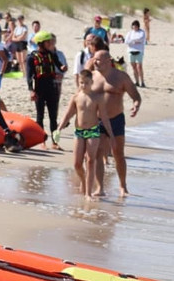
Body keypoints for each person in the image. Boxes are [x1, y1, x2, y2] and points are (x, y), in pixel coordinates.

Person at [87, 49, 141, 197]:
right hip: (96, 120)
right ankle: (100, 188)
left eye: (97, 59)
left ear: (108, 60)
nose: (94, 62)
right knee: (98, 153)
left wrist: (136, 105)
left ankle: (123, 187)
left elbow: (135, 95)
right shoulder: (91, 77)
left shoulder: (121, 77)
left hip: (115, 119)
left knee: (118, 153)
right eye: (94, 59)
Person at [57, 69, 115, 198]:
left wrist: (111, 135)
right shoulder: (76, 97)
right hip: (79, 132)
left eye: (86, 83)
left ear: (92, 82)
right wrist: (59, 128)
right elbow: (68, 114)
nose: (83, 85)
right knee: (77, 163)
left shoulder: (98, 98)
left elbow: (104, 118)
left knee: (90, 160)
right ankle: (83, 181)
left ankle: (88, 193)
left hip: (93, 131)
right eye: (81, 83)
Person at [25, 31, 64, 149]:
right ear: (41, 43)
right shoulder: (31, 57)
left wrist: (63, 68)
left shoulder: (51, 54)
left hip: (52, 88)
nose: (50, 43)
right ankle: (42, 142)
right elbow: (29, 76)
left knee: (53, 117)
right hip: (39, 89)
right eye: (48, 42)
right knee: (40, 116)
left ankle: (55, 142)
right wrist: (31, 90)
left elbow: (59, 66)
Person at [124, 20, 147, 88]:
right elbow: (126, 41)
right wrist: (134, 41)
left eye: (136, 26)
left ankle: (142, 81)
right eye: (134, 26)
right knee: (134, 67)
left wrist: (132, 41)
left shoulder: (141, 32)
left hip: (139, 50)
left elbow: (140, 39)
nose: (135, 27)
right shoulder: (130, 33)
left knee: (139, 67)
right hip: (131, 50)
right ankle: (137, 81)